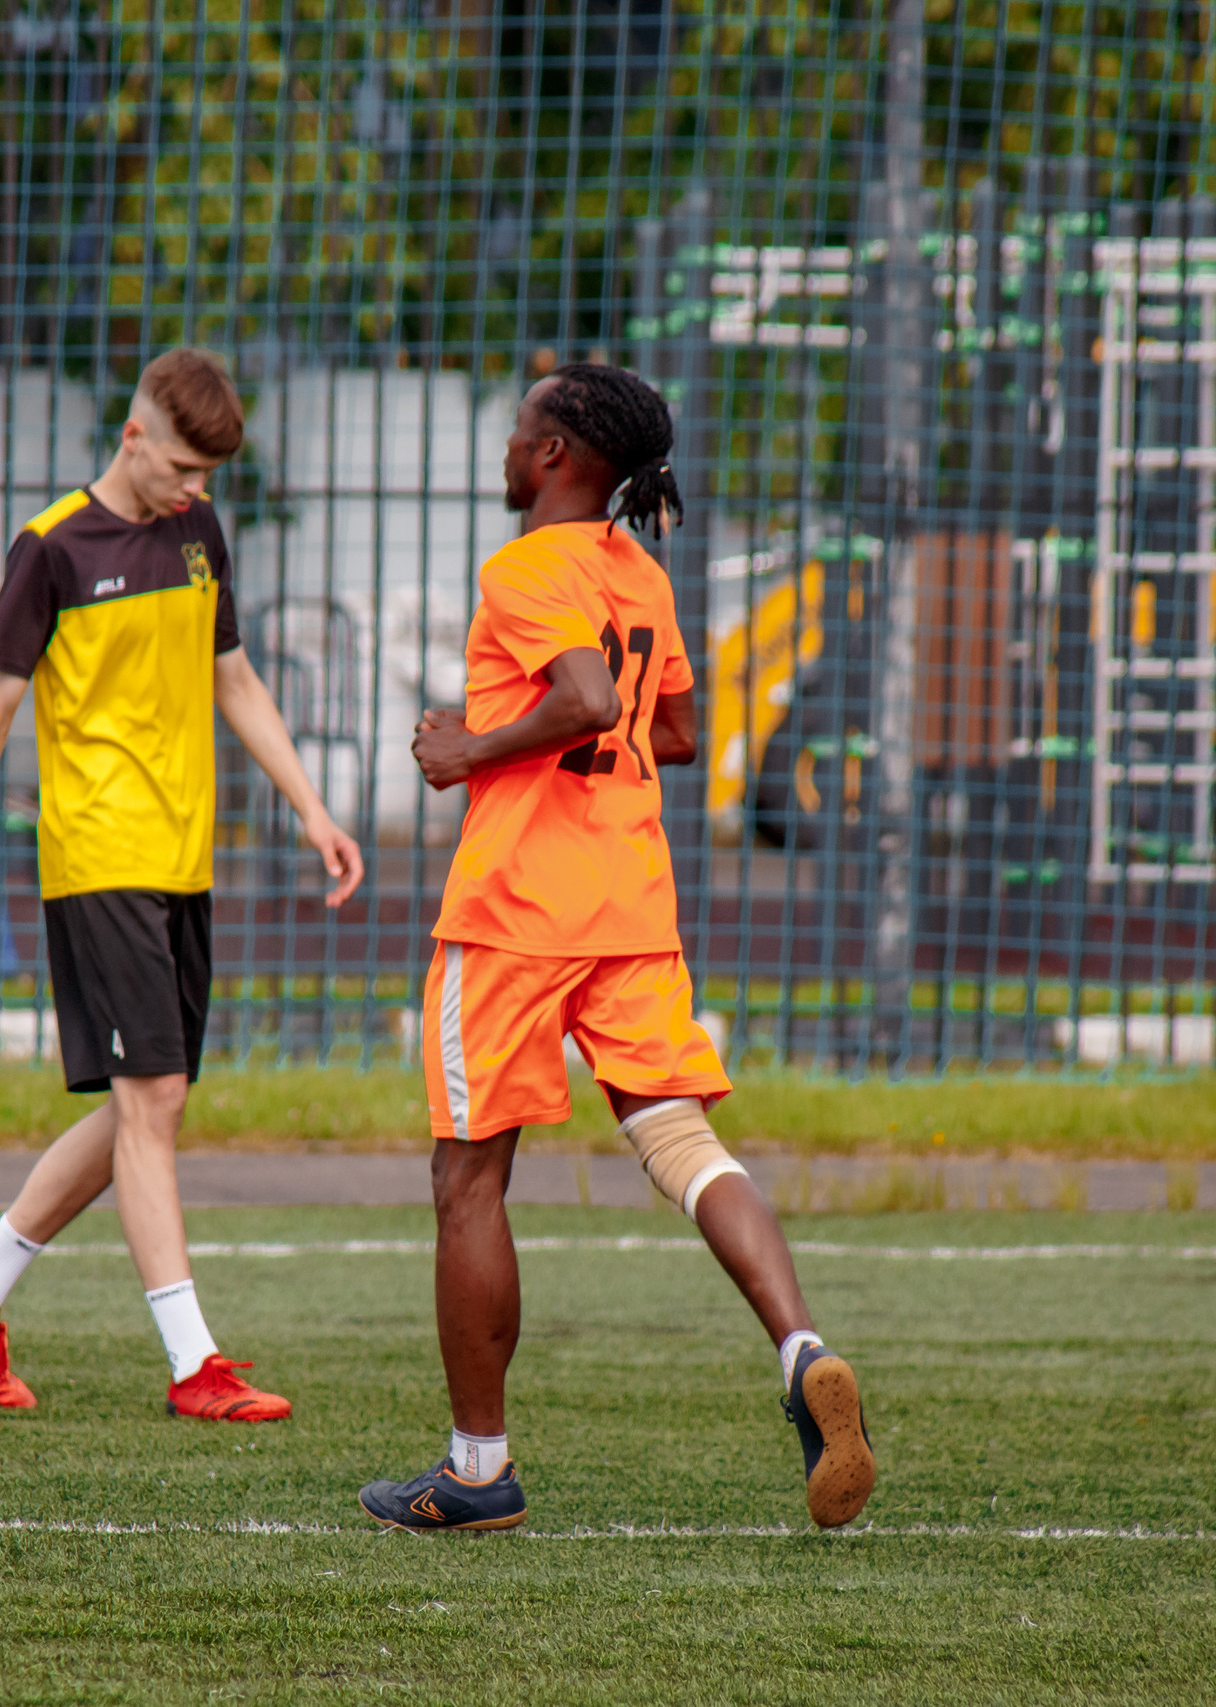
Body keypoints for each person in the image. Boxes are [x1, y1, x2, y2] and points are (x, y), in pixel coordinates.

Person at [357, 363, 875, 1532]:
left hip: (517, 915)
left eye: (517, 427)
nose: (505, 445)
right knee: (679, 1136)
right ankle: (801, 1348)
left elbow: (589, 700)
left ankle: (477, 1471)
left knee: (468, 1178)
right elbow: (675, 728)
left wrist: (469, 747)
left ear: (552, 457)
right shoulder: (637, 570)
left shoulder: (526, 566)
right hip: (630, 902)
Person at [0, 348, 364, 1422]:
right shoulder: (52, 548)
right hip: (97, 856)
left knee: (145, 1106)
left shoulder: (197, 533)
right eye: (183, 468)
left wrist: (312, 809)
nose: (195, 491)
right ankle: (195, 1364)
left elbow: (232, 678)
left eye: (209, 476)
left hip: (180, 859)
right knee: (151, 1102)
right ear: (133, 438)